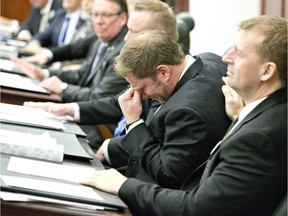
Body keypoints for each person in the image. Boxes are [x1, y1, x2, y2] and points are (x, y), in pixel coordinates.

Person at [79, 15, 287, 216]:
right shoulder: (265, 111)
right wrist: (237, 117)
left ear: (267, 71)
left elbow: (197, 208)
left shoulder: (258, 139)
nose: (226, 58)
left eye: (239, 54)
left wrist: (124, 186)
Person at [22, 0, 181, 151]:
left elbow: (159, 156)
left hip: (107, 134)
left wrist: (109, 149)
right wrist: (67, 108)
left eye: (133, 32)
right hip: (113, 139)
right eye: (95, 14)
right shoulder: (111, 44)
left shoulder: (155, 73)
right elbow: (116, 100)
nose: (127, 38)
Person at [20, 0, 84, 55]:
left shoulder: (86, 19)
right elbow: (43, 35)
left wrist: (48, 53)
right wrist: (35, 43)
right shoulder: (60, 15)